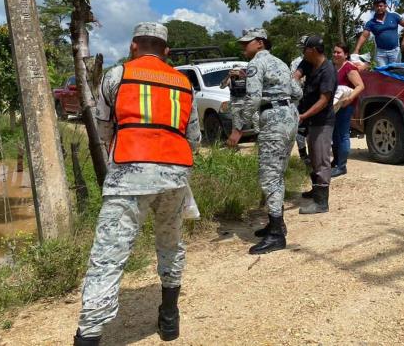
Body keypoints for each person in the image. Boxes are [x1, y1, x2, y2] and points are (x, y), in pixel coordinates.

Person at [74, 23, 201, 345]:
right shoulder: (183, 82)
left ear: (134, 46)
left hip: (129, 174)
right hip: (175, 175)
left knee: (108, 255)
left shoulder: (117, 76)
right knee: (170, 244)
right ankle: (170, 320)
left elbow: (103, 129)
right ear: (166, 51)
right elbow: (194, 138)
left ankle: (89, 335)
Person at [226, 28, 300, 254]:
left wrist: (238, 129)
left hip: (273, 120)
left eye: (246, 43)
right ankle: (276, 223)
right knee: (277, 172)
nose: (243, 47)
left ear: (259, 43)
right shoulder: (280, 62)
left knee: (269, 175)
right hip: (289, 118)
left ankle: (277, 234)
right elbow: (297, 92)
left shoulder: (256, 64)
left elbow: (253, 97)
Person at [294, 35, 336, 213]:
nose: (302, 52)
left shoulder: (328, 71)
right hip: (312, 119)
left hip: (322, 120)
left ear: (312, 50)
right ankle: (315, 190)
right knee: (313, 156)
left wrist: (303, 116)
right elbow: (296, 74)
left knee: (321, 160)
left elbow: (324, 100)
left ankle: (321, 202)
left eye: (304, 49)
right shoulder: (308, 62)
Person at [331, 43, 364, 178]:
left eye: (339, 52)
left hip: (346, 106)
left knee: (343, 134)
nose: (335, 54)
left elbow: (360, 86)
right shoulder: (332, 67)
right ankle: (336, 161)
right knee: (334, 134)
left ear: (345, 55)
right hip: (335, 105)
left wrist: (349, 99)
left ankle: (342, 166)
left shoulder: (349, 68)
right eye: (334, 52)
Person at [354, 0, 404, 67]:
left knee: (395, 73)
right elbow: (364, 36)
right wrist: (357, 49)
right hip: (380, 53)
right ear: (374, 8)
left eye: (381, 6)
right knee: (382, 74)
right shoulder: (371, 22)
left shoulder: (393, 16)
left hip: (395, 51)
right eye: (376, 6)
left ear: (385, 6)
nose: (379, 8)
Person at [290, 34, 311, 165]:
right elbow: (293, 80)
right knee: (301, 127)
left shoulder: (318, 60)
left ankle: (315, 153)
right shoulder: (296, 62)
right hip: (300, 98)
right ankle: (303, 154)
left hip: (314, 98)